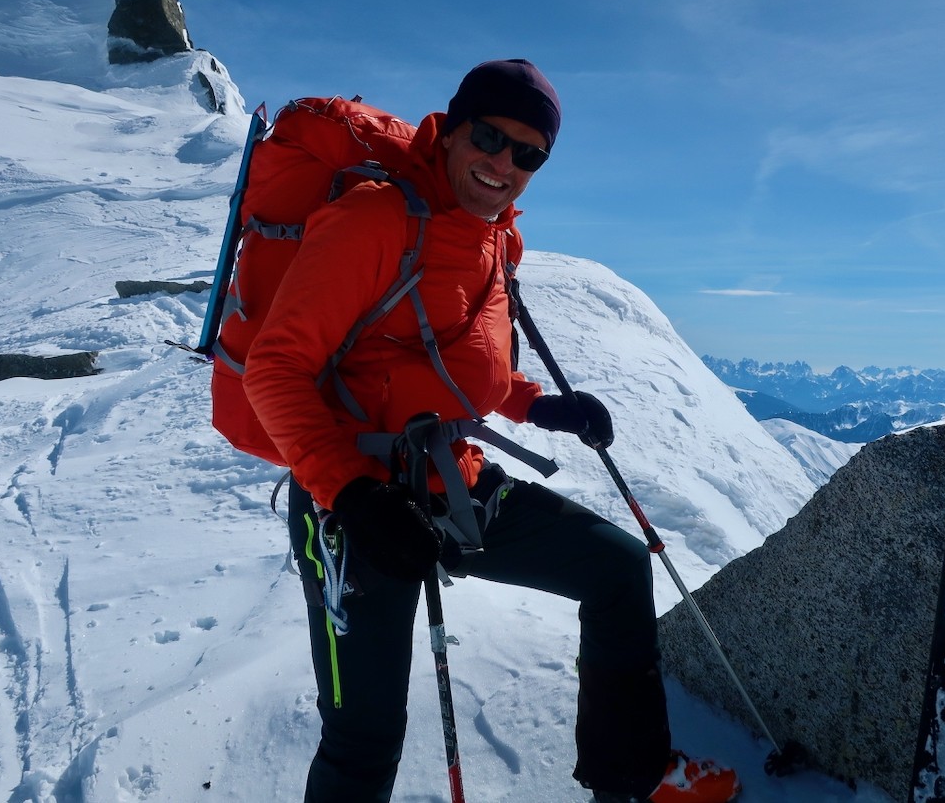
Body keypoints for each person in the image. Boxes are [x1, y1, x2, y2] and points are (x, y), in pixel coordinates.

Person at [242, 59, 740, 803]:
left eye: (529, 153)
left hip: (455, 485)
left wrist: (540, 406)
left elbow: (460, 368)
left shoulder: (494, 243)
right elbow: (273, 371)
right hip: (353, 509)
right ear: (451, 129)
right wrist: (353, 497)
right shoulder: (374, 220)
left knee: (615, 569)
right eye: (490, 137)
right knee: (365, 733)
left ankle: (634, 778)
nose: (504, 163)